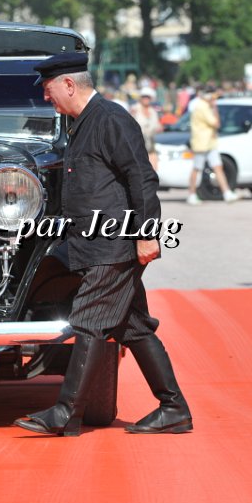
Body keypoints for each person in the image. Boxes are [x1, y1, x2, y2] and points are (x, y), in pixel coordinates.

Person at [14, 52, 192, 437]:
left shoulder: (110, 119)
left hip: (114, 245)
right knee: (134, 327)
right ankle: (174, 408)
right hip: (95, 245)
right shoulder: (83, 122)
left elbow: (142, 178)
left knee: (89, 321)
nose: (46, 96)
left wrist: (147, 234)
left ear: (69, 84)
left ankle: (66, 412)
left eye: (48, 89)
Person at [186, 86, 238, 205]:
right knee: (197, 168)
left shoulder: (204, 105)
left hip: (209, 142)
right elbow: (216, 123)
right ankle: (191, 194)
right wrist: (214, 107)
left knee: (218, 167)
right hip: (201, 143)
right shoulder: (202, 106)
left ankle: (226, 192)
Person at [131, 86, 162, 169]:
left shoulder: (153, 112)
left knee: (153, 168)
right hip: (138, 145)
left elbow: (157, 126)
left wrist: (159, 128)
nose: (146, 99)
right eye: (144, 97)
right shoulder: (134, 109)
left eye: (148, 97)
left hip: (151, 145)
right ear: (140, 98)